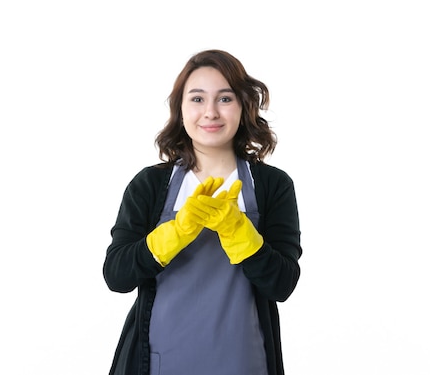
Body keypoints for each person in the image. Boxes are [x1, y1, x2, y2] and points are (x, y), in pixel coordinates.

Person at [103, 49, 302, 375]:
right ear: (180, 109)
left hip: (245, 365)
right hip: (158, 365)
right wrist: (174, 233)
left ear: (243, 107)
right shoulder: (150, 185)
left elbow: (282, 284)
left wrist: (240, 234)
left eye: (225, 99)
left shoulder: (272, 185)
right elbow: (117, 275)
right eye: (197, 99)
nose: (210, 112)